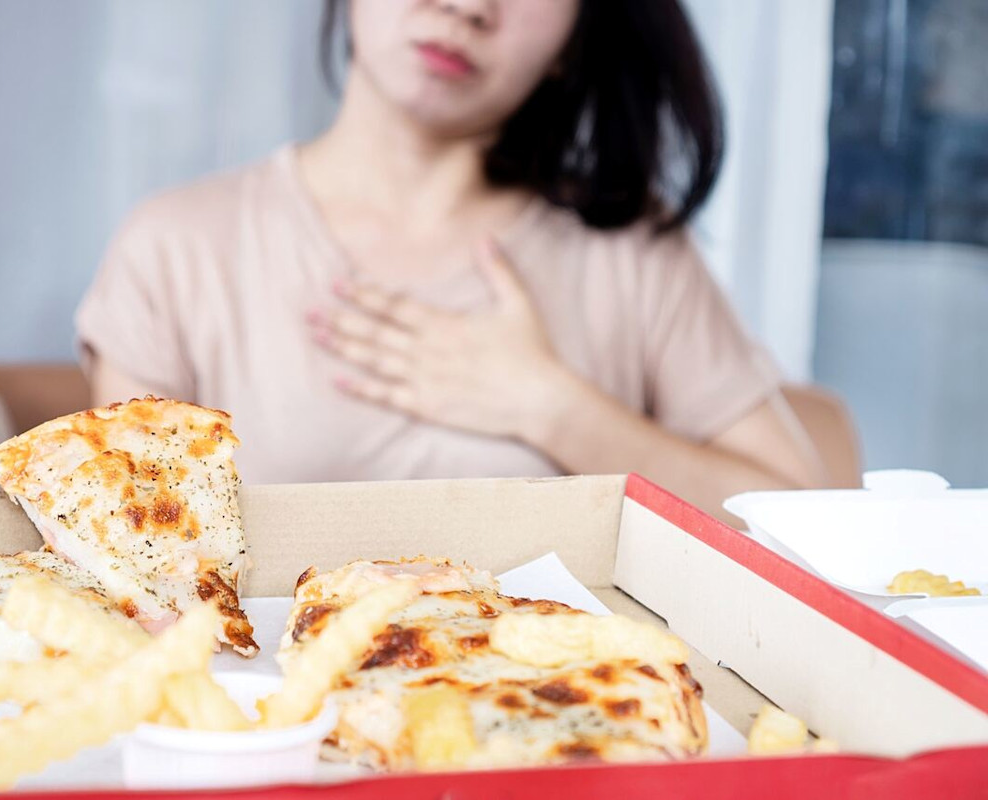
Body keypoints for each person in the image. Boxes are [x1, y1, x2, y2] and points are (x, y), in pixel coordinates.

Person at [77, 0, 828, 519]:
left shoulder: (633, 251)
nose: (469, 5)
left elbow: (791, 519)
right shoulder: (173, 248)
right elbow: (139, 566)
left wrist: (553, 407)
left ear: (574, 38)